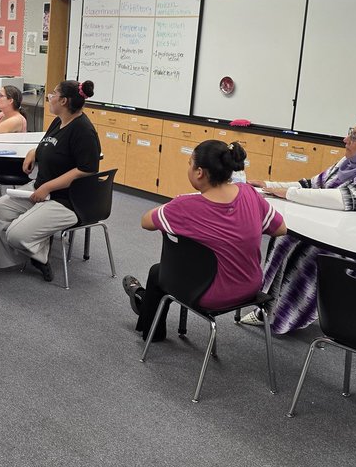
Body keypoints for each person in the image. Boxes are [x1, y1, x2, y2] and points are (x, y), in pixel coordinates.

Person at [250, 117, 356, 334]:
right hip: (342, 237)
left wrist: (288, 193)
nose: (345, 139)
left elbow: (345, 198)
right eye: (350, 132)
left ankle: (284, 314)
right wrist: (270, 185)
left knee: (306, 249)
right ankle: (270, 307)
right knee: (286, 234)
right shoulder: (349, 164)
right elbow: (313, 185)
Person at [121, 140, 287, 341]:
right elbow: (280, 229)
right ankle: (143, 300)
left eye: (190, 163)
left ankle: (150, 325)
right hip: (250, 288)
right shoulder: (249, 193)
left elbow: (145, 222)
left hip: (211, 295)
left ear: (199, 172)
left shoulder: (184, 206)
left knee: (158, 272)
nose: (188, 167)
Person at [0, 80, 101, 281]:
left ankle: (39, 255)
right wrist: (34, 152)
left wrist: (48, 186)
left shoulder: (84, 131)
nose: (49, 96)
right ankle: (20, 257)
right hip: (41, 188)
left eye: (53, 94)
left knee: (15, 234)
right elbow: (47, 144)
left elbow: (86, 169)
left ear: (64, 101)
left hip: (68, 200)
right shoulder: (59, 120)